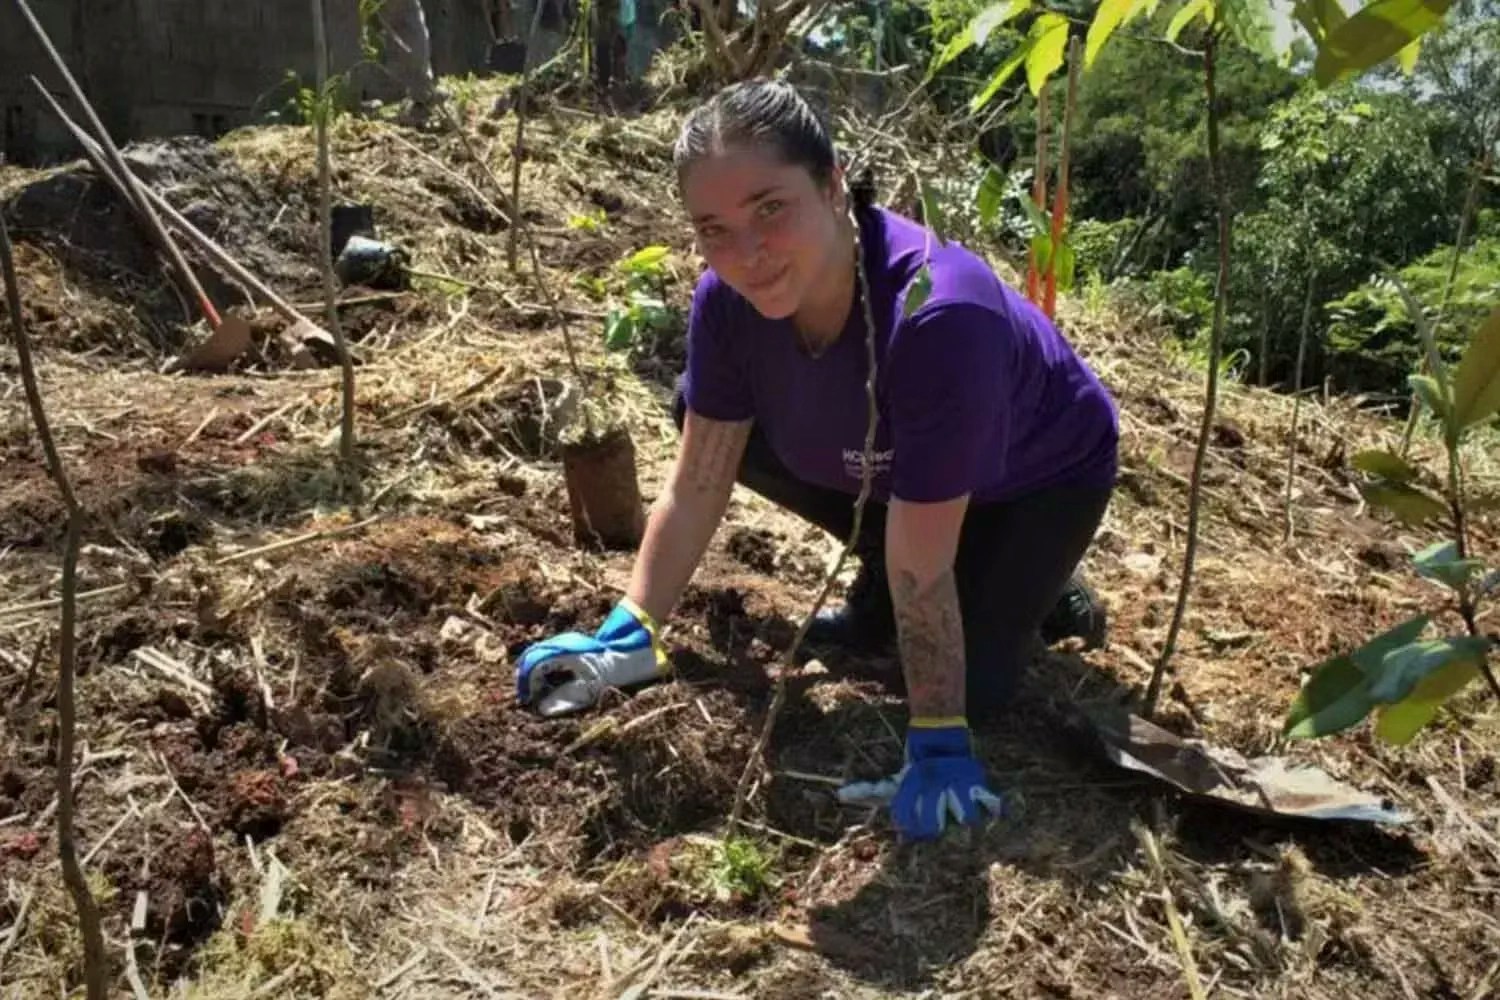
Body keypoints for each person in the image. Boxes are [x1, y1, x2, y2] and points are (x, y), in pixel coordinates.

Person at [515, 79, 1120, 842]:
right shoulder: (727, 304)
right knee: (706, 421)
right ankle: (910, 562)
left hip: (1033, 480)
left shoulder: (937, 316)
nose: (748, 254)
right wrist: (632, 626)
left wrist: (936, 735)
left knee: (974, 692)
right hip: (895, 470)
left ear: (834, 185)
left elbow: (922, 568)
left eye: (771, 209)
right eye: (716, 229)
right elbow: (699, 482)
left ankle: (1044, 582)